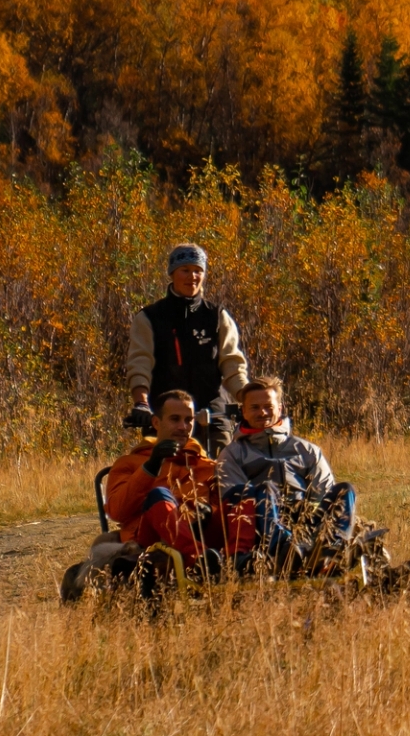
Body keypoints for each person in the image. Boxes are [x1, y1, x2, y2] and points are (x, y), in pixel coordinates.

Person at [101, 389, 258, 581]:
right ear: (156, 423)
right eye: (175, 419)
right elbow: (117, 511)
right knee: (159, 494)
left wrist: (210, 510)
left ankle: (239, 558)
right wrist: (151, 467)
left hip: (205, 538)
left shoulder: (208, 466)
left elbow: (225, 509)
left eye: (189, 420)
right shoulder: (130, 463)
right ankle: (199, 560)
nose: (183, 427)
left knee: (243, 492)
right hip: (152, 540)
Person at [129, 243, 248, 441]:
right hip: (166, 416)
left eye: (197, 271)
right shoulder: (149, 317)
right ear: (172, 273)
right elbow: (140, 364)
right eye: (185, 270)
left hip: (213, 416)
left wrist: (249, 399)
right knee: (163, 470)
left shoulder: (217, 316)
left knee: (219, 470)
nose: (192, 277)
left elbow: (233, 365)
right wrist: (141, 403)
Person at [223, 377, 352, 548]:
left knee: (345, 490)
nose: (262, 413)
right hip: (261, 529)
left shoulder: (307, 451)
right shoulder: (233, 454)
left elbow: (323, 493)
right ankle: (283, 547)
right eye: (255, 408)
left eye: (268, 407)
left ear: (280, 408)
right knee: (265, 489)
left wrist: (303, 514)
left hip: (305, 520)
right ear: (244, 411)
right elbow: (235, 500)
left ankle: (333, 547)